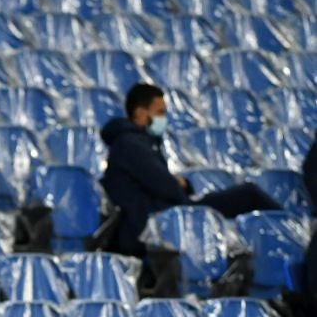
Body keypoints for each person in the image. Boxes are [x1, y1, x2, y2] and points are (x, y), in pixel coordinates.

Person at [100, 82, 282, 257]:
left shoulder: (138, 143)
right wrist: (183, 187)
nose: (163, 119)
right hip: (155, 223)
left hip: (166, 215)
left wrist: (181, 187)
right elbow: (165, 186)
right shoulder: (130, 144)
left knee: (246, 198)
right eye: (159, 113)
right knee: (248, 195)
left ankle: (290, 231)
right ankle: (294, 230)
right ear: (140, 113)